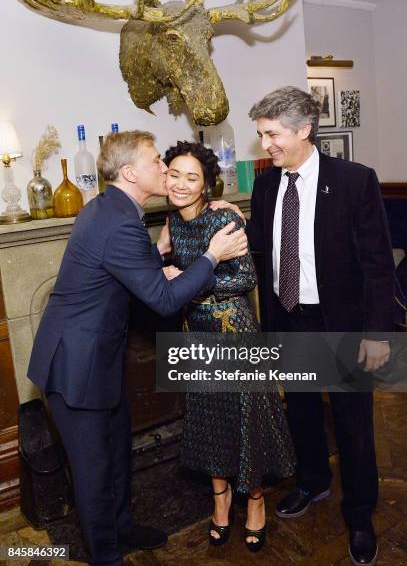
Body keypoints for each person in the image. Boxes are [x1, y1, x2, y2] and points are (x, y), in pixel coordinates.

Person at [27, 130, 249, 566]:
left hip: (97, 360)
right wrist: (212, 254)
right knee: (93, 474)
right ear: (130, 172)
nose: (164, 169)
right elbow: (163, 300)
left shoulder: (112, 210)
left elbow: (121, 267)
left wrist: (158, 249)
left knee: (116, 458)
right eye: (155, 162)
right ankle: (106, 556)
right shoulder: (118, 221)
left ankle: (123, 529)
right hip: (75, 367)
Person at [215, 86, 395, 565]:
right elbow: (264, 242)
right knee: (301, 411)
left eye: (272, 134)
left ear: (302, 130)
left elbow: (379, 264)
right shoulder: (269, 182)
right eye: (260, 135)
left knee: (353, 426)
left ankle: (359, 516)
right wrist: (227, 219)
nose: (265, 144)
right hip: (287, 318)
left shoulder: (355, 181)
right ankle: (312, 481)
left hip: (340, 323)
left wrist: (379, 334)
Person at [164, 140, 295, 553]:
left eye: (192, 177)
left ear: (205, 186)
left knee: (244, 417)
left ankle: (255, 500)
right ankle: (220, 499)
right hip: (196, 335)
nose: (181, 184)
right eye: (174, 174)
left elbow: (245, 279)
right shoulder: (171, 222)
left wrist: (187, 285)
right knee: (208, 419)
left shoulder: (221, 219)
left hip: (232, 329)